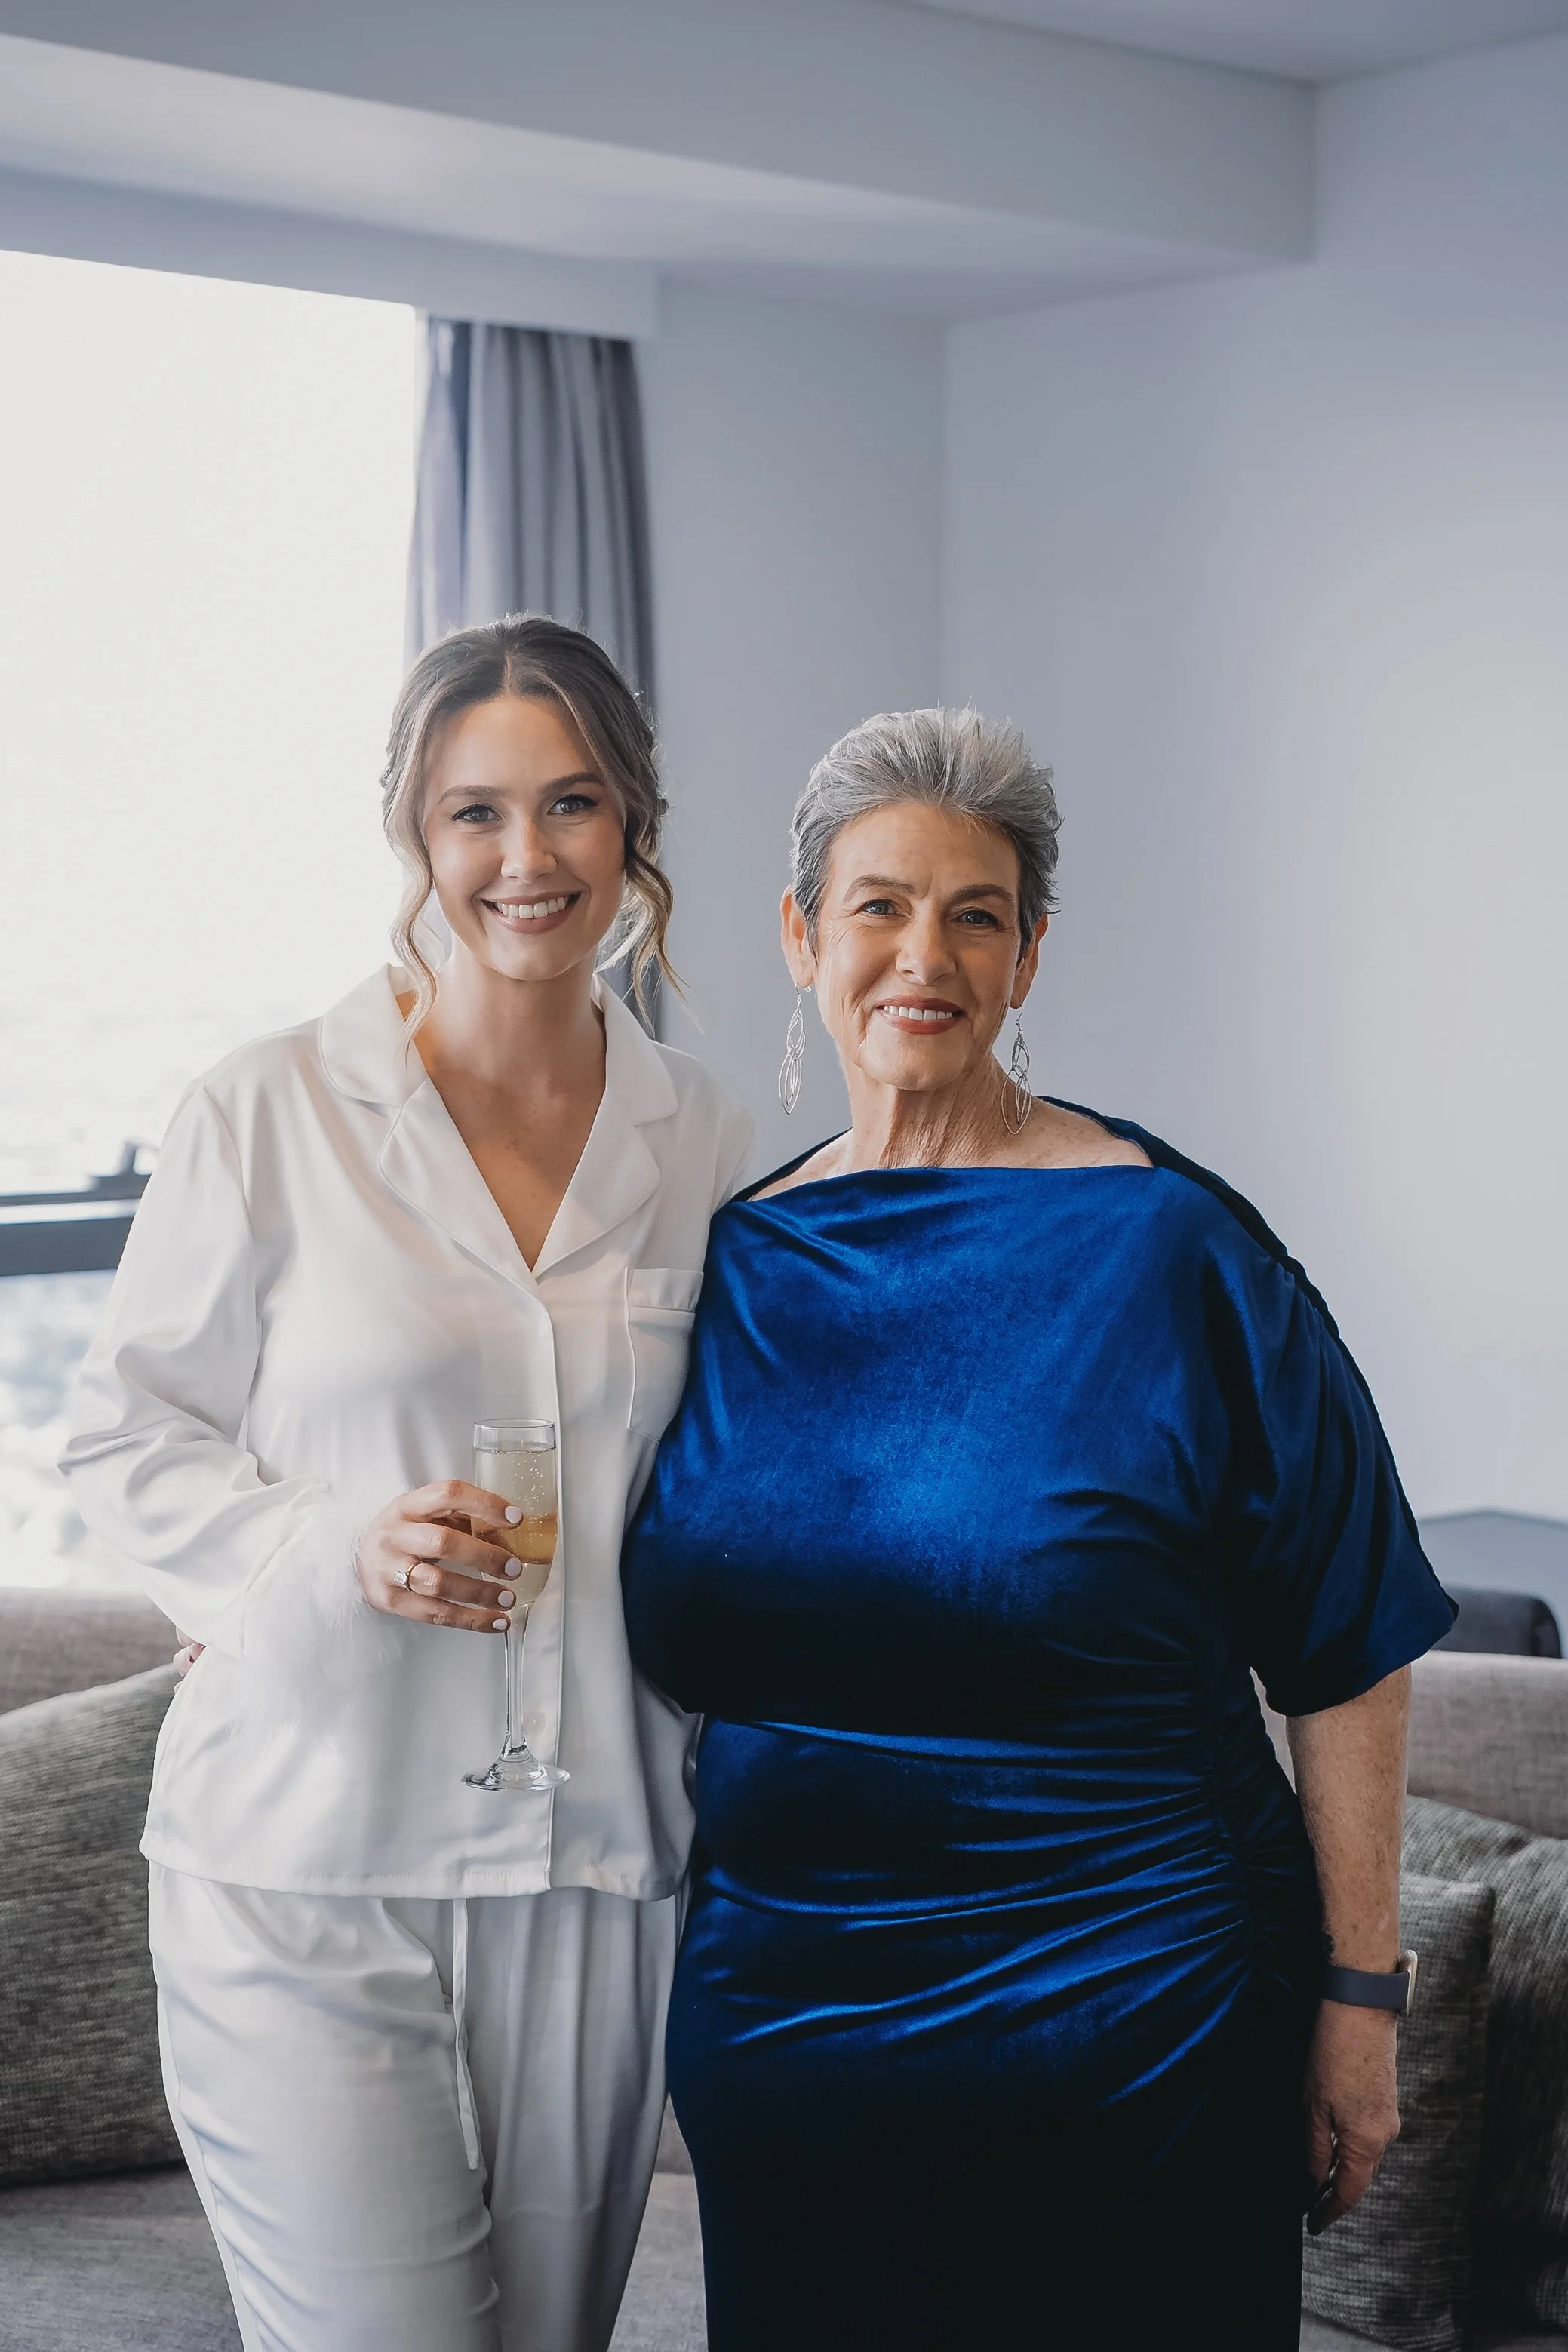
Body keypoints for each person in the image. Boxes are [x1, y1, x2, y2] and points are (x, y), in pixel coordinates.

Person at [621, 706, 1454, 2352]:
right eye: (876, 905)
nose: (919, 954)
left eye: (973, 913)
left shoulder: (1173, 1249)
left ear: (1028, 953)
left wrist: (1361, 2001)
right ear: (800, 936)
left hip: (1132, 2011)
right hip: (787, 2023)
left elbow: (1349, 1643)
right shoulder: (729, 1264)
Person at [62, 616, 752, 2352]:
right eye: (476, 812)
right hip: (304, 1860)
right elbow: (122, 1440)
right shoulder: (268, 1110)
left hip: (590, 1872)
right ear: (414, 837)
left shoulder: (708, 1141)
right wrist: (331, 1544)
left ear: (635, 829)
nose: (527, 859)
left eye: (574, 804)